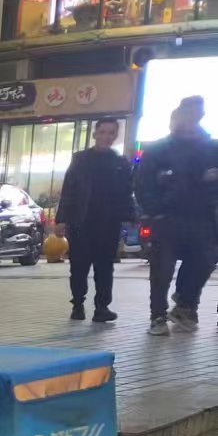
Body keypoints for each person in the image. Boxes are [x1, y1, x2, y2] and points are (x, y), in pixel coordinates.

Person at [134, 95, 218, 335]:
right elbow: (142, 183)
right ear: (179, 114)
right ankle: (158, 316)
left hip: (202, 217)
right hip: (167, 217)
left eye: (198, 113)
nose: (193, 117)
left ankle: (185, 304)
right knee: (162, 269)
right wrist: (154, 211)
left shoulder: (211, 148)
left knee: (203, 262)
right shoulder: (159, 149)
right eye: (188, 112)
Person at [56, 117, 135, 323]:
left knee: (105, 267)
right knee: (79, 266)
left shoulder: (121, 163)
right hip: (81, 222)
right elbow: (68, 190)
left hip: (109, 224)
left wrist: (130, 216)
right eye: (102, 132)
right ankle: (78, 304)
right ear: (94, 134)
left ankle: (102, 308)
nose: (106, 137)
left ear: (116, 136)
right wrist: (61, 219)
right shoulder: (80, 160)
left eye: (111, 133)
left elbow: (127, 192)